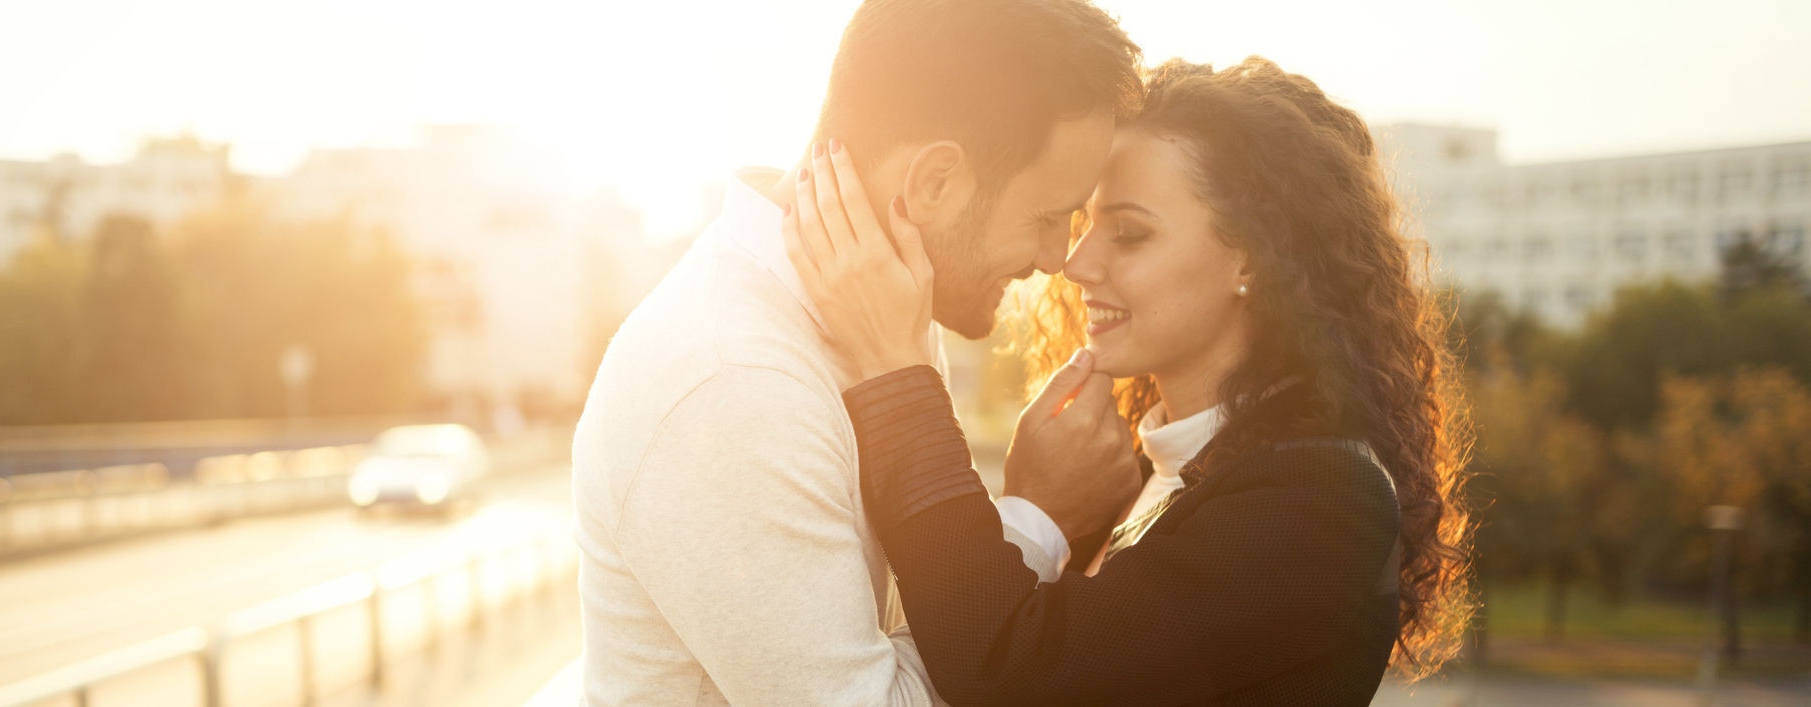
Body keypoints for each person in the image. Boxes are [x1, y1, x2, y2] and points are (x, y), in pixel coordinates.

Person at [785, 57, 1473, 706]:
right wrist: (1043, 508)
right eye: (1085, 223)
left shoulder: (1319, 498)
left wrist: (895, 372)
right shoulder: (1146, 472)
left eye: (1130, 233)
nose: (1075, 262)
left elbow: (1005, 666)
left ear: (1254, 259)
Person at [569, 0, 1140, 704]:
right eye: (1049, 217)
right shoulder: (733, 381)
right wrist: (1036, 516)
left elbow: (908, 607)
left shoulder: (882, 309)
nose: (1058, 258)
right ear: (932, 182)